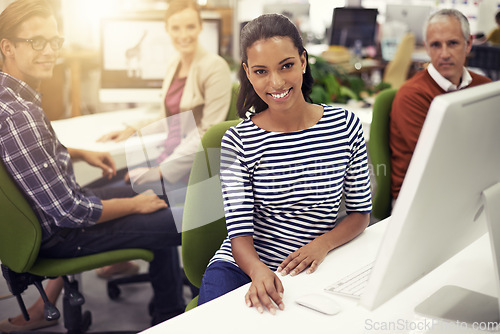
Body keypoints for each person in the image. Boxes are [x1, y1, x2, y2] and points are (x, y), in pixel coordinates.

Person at [0, 0, 185, 331]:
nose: (50, 51)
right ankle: (174, 318)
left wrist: (78, 152)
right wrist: (134, 205)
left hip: (52, 218)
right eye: (36, 41)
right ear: (8, 47)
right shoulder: (19, 115)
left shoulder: (10, 98)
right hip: (66, 233)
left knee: (150, 184)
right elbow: (70, 212)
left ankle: (169, 312)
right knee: (197, 216)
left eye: (54, 41)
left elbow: (25, 155)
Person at [197, 14, 372, 314]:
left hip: (313, 265)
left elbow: (360, 214)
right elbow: (238, 235)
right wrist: (257, 271)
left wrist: (323, 244)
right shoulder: (237, 142)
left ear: (303, 61)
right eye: (261, 71)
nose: (276, 82)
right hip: (243, 266)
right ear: (247, 73)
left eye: (286, 65)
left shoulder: (345, 127)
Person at [93, 0, 233, 279]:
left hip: (190, 171)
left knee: (118, 201)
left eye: (190, 26)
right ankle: (158, 293)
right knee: (100, 187)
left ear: (201, 27)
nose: (184, 34)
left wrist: (161, 170)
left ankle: (165, 305)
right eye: (177, 28)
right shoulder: (175, 65)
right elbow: (168, 116)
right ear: (167, 30)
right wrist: (133, 127)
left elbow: (209, 132)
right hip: (165, 160)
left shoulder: (214, 67)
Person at [389, 8, 491, 201]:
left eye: (452, 43)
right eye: (436, 45)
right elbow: (441, 162)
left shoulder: (484, 87)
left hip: (472, 187)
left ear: (468, 43)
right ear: (427, 48)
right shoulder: (412, 95)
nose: (444, 54)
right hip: (420, 198)